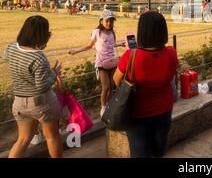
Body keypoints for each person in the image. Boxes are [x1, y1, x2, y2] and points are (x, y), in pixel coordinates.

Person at [113, 11, 178, 158]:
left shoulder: (131, 56)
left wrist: (131, 52)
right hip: (164, 111)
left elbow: (116, 80)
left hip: (137, 115)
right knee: (159, 151)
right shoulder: (171, 53)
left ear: (141, 31)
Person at [3, 16, 63, 158]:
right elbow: (41, 86)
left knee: (23, 140)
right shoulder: (38, 57)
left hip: (19, 103)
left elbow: (9, 58)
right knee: (52, 136)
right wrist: (54, 74)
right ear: (42, 34)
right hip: (41, 103)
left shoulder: (11, 47)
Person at [68, 10, 125, 117]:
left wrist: (120, 44)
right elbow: (89, 45)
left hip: (112, 62)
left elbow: (111, 45)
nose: (109, 23)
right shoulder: (97, 32)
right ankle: (103, 108)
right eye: (107, 21)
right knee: (106, 87)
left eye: (112, 21)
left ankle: (110, 106)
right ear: (101, 21)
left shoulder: (112, 32)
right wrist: (76, 51)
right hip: (101, 63)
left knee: (112, 86)